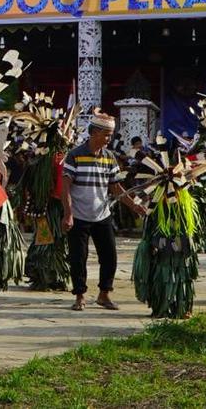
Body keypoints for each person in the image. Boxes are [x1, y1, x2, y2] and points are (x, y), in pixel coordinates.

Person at [62, 112, 145, 311]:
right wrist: (68, 214)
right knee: (78, 257)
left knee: (109, 256)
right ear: (95, 133)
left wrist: (134, 205)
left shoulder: (109, 158)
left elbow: (116, 188)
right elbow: (65, 187)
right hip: (79, 215)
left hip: (102, 214)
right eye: (107, 135)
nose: (109, 139)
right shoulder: (74, 155)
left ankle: (104, 294)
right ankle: (80, 295)